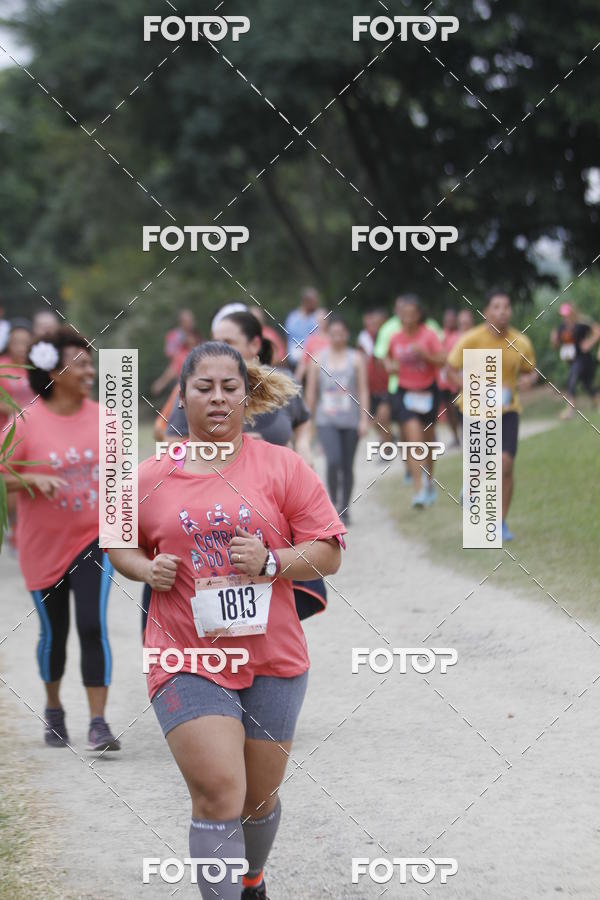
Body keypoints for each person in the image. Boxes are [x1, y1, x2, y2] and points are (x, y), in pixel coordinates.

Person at [109, 342, 345, 900]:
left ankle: (253, 879)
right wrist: (146, 567)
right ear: (181, 398)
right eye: (203, 387)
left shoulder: (282, 466)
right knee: (219, 791)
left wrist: (270, 561)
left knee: (257, 800)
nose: (217, 398)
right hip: (186, 655)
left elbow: (329, 551)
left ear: (247, 395)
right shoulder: (148, 476)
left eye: (229, 387)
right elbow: (117, 543)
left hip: (273, 656)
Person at [158, 310, 319, 628]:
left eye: (228, 341)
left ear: (255, 344)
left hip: (271, 511)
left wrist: (302, 447)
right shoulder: (198, 390)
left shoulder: (280, 385)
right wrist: (234, 448)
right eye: (214, 340)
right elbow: (169, 444)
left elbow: (303, 422)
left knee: (275, 601)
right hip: (208, 510)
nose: (219, 347)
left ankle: (269, 654)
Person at [2, 327, 120, 751]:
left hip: (92, 540)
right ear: (54, 370)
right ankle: (53, 709)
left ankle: (99, 723)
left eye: (91, 363)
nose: (90, 370)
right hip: (42, 548)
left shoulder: (106, 418)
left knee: (92, 625)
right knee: (54, 634)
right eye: (81, 363)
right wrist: (30, 478)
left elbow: (122, 482)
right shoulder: (26, 421)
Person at [447, 291, 537, 541]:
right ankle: (473, 487)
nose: (502, 311)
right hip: (475, 409)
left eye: (507, 306)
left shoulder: (520, 342)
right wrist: (468, 386)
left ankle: (500, 522)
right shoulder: (471, 339)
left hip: (507, 411)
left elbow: (530, 371)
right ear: (486, 312)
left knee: (505, 465)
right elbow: (450, 371)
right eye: (496, 307)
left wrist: (528, 381)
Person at [305, 315, 370, 525]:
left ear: (347, 335)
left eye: (341, 334)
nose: (337, 337)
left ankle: (345, 507)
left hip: (350, 420)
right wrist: (308, 423)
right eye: (333, 334)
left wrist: (364, 419)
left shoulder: (356, 359)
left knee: (347, 465)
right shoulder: (317, 359)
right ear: (327, 335)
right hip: (326, 420)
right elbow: (311, 393)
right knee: (332, 461)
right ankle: (333, 504)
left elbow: (363, 390)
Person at [384, 298, 446, 507]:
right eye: (404, 313)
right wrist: (390, 366)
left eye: (411, 313)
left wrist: (425, 355)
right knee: (414, 440)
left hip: (428, 390)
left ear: (419, 315)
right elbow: (388, 357)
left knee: (428, 442)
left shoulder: (428, 335)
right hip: (405, 392)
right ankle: (418, 490)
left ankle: (429, 482)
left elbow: (442, 359)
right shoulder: (395, 338)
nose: (407, 317)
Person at [550, 302, 600, 419]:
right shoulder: (561, 328)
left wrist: (589, 343)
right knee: (587, 385)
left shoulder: (581, 324)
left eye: (567, 314)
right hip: (572, 361)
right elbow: (556, 345)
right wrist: (554, 340)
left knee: (571, 381)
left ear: (572, 313)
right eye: (563, 315)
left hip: (584, 359)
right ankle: (598, 403)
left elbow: (597, 331)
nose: (565, 317)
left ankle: (569, 410)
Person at [357, 308, 393, 440]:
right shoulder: (365, 338)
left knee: (381, 418)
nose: (376, 326)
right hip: (371, 386)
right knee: (376, 422)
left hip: (387, 385)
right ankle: (389, 439)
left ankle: (387, 448)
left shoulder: (391, 337)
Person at [0, 319, 36, 434]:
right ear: (8, 344)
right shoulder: (2, 367)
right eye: (16, 343)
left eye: (25, 343)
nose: (21, 348)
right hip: (5, 430)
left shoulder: (40, 368)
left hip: (34, 428)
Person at [436, 309, 462, 447]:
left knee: (459, 408)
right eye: (447, 319)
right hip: (443, 380)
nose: (449, 322)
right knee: (448, 409)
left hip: (456, 379)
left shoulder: (460, 335)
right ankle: (455, 436)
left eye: (452, 319)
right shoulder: (440, 335)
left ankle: (465, 434)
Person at [284, 287, 319, 369]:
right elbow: (287, 337)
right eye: (314, 301)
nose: (316, 304)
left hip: (312, 356)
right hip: (295, 357)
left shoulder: (316, 318)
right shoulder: (293, 318)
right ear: (306, 302)